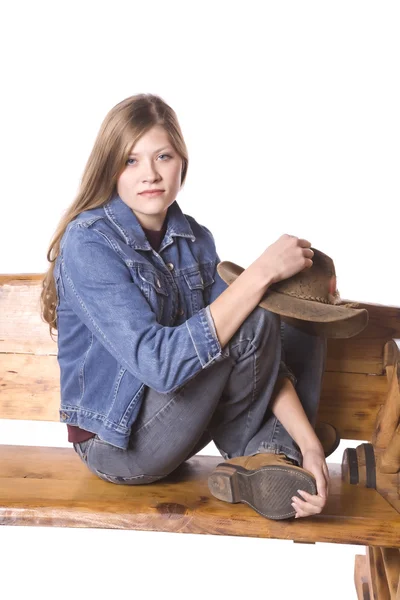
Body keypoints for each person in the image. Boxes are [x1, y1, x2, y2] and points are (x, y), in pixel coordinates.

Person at [41, 93, 329, 521]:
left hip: (180, 426)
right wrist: (258, 273)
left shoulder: (194, 239)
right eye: (131, 161)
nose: (151, 174)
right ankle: (268, 450)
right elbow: (159, 364)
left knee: (293, 316)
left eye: (163, 156)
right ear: (110, 169)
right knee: (252, 306)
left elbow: (257, 349)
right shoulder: (90, 242)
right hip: (116, 444)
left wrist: (311, 444)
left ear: (182, 162)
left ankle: (274, 459)